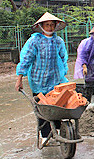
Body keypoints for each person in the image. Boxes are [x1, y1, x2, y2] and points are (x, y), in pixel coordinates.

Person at [15, 12, 68, 142]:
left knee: (56, 106)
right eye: (47, 25)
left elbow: (63, 58)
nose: (49, 27)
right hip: (38, 80)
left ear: (55, 26)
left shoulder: (58, 41)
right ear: (41, 26)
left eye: (52, 25)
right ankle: (45, 135)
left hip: (55, 80)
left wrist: (63, 73)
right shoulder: (34, 41)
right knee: (42, 109)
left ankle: (57, 131)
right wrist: (19, 78)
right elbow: (26, 60)